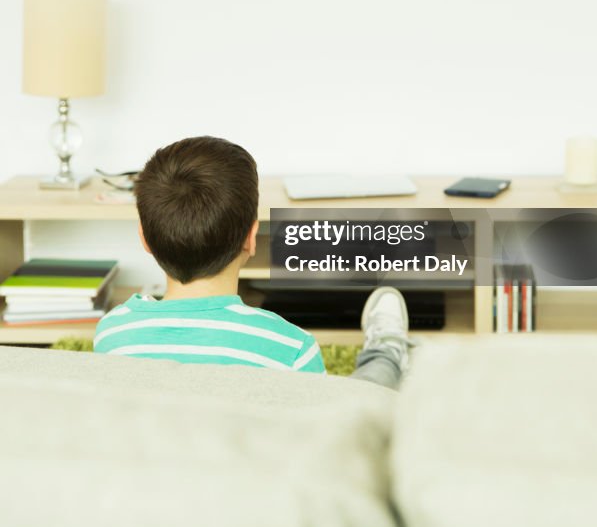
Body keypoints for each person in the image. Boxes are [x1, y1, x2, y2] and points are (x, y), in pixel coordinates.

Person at [94, 136, 412, 389]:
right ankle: (387, 351)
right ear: (251, 237)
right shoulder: (292, 349)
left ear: (144, 238)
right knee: (368, 391)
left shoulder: (111, 334)